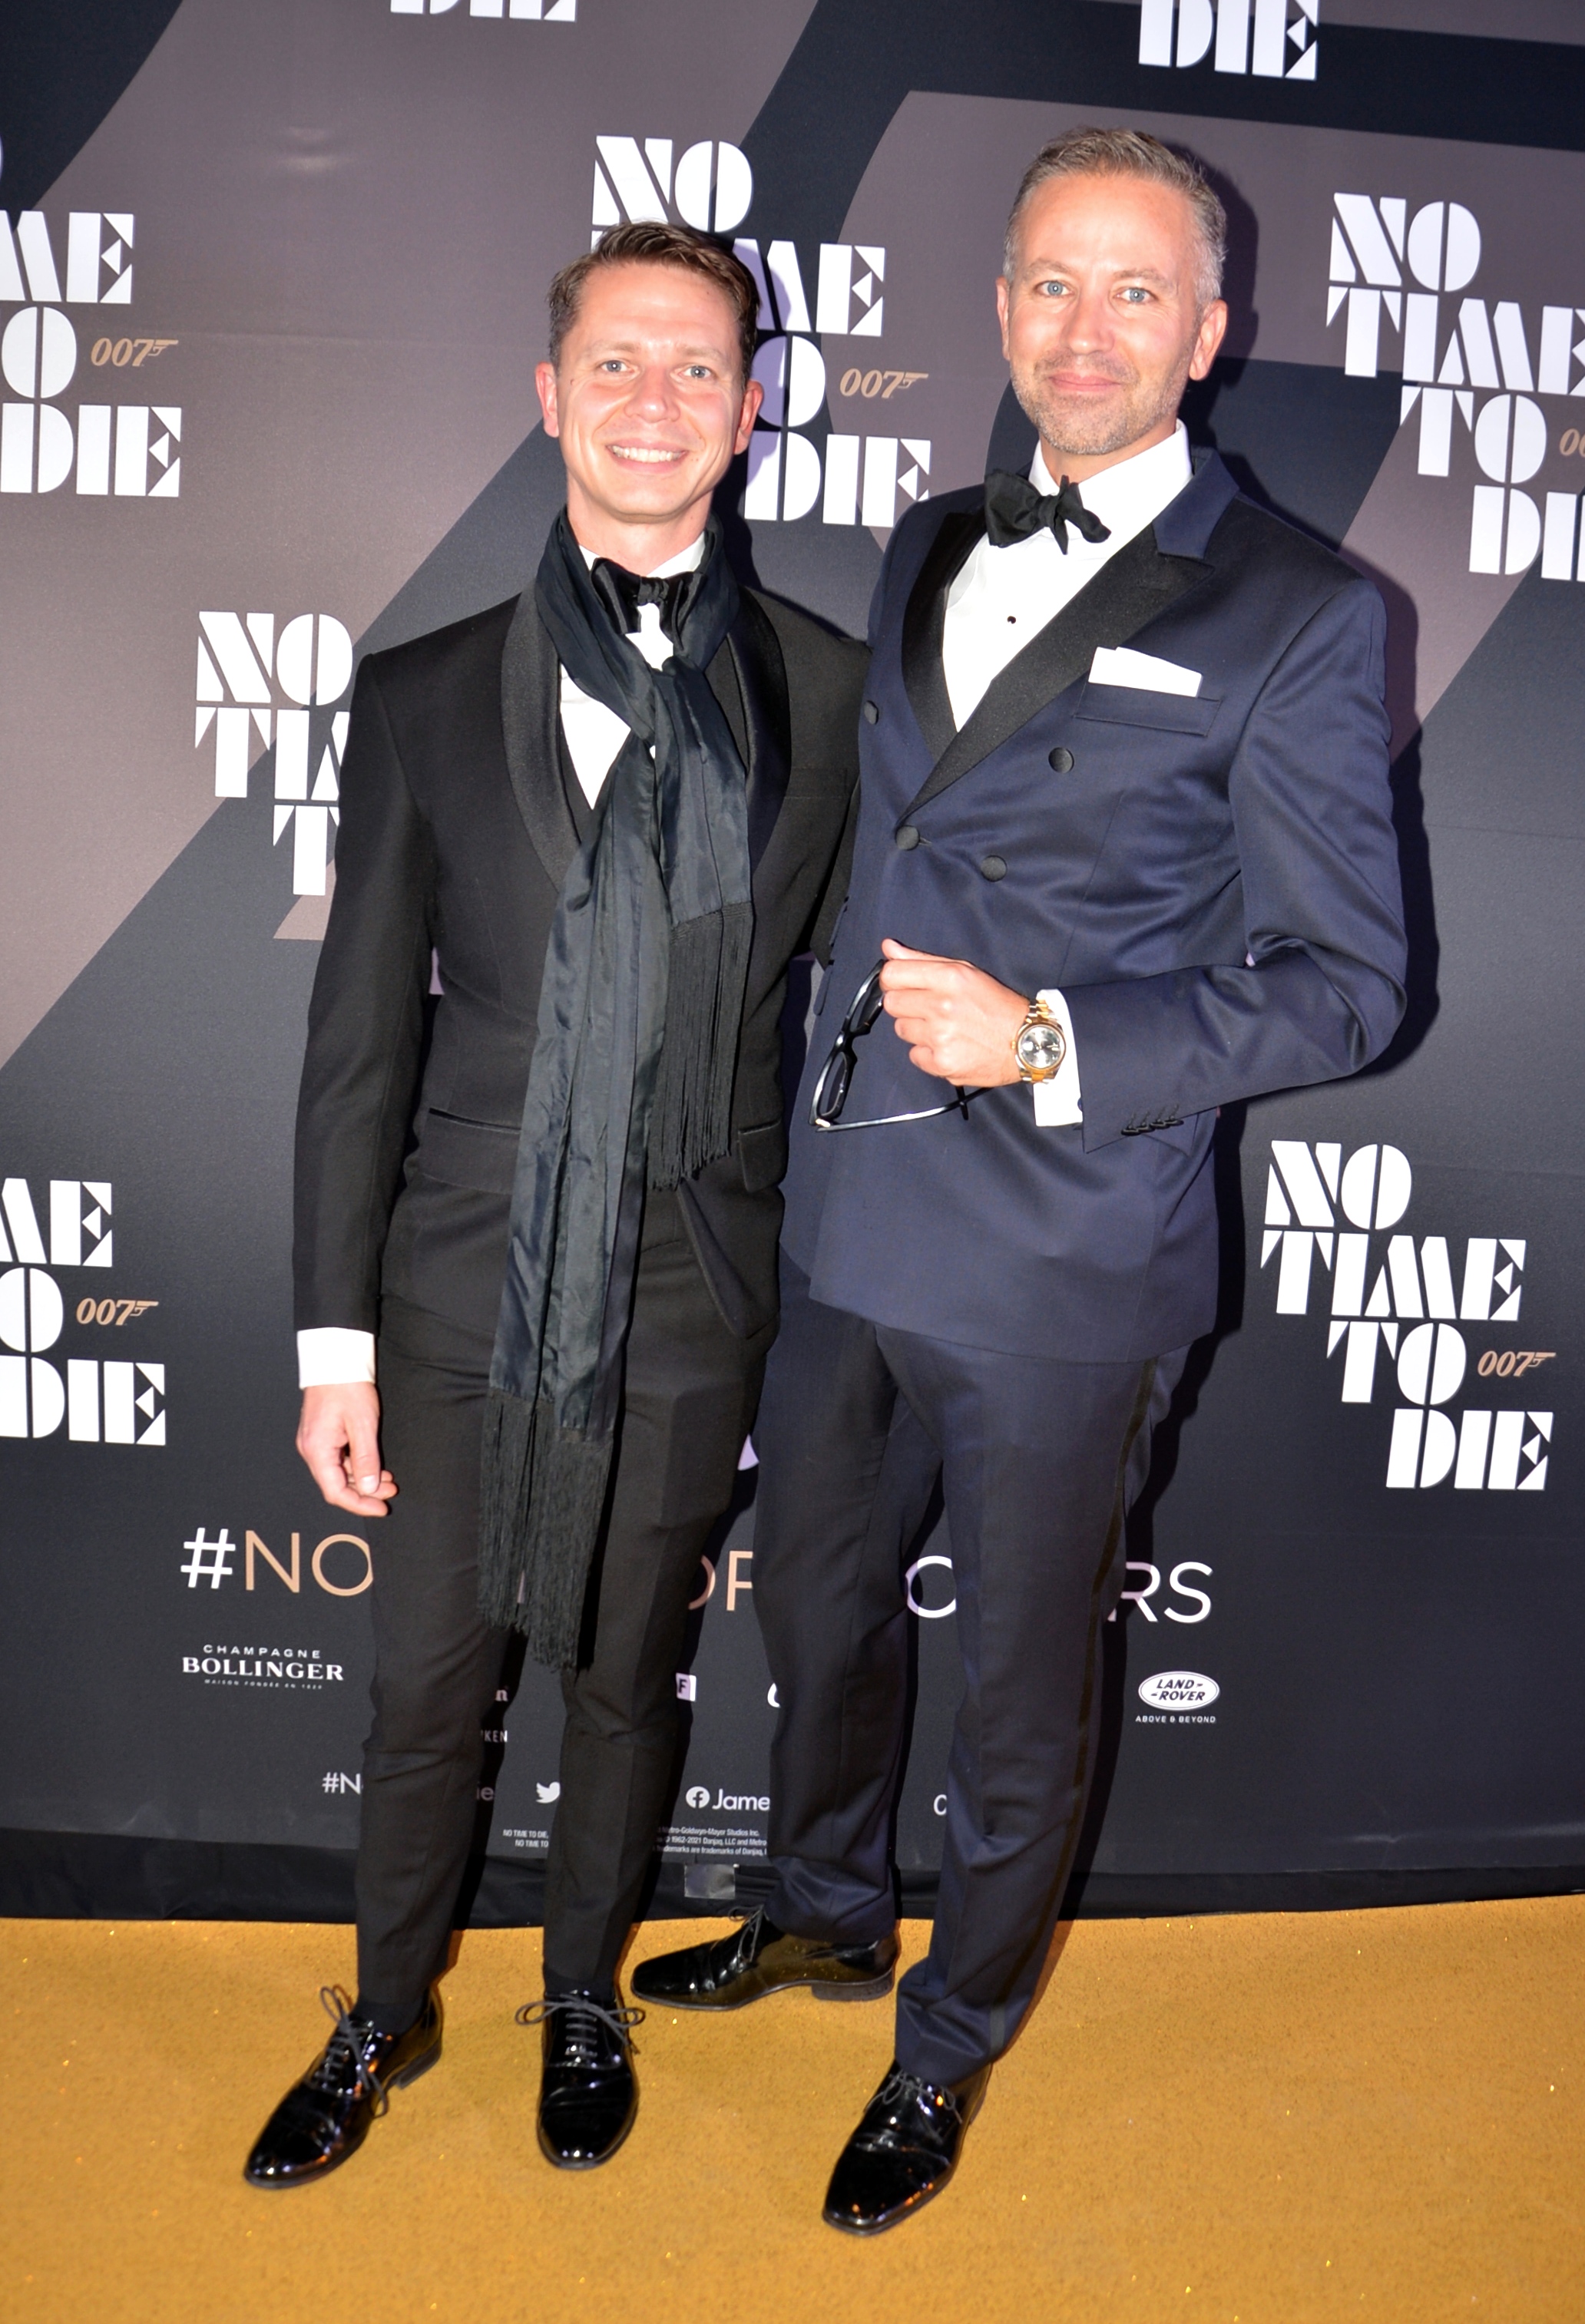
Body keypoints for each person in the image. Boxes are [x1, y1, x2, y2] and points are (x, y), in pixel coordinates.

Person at [634, 128, 1408, 2234]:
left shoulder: (1303, 611)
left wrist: (1058, 1037)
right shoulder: (923, 540)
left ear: (1209, 332)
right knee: (815, 1602)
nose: (1085, 328)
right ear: (997, 309)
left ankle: (946, 2039)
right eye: (1051, 283)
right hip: (849, 1215)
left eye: (1136, 290)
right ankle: (820, 1904)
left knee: (1013, 1690)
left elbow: (1349, 983)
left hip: (1068, 1251)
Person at [243, 221, 864, 2188]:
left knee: (621, 1678)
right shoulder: (423, 691)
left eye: (697, 367)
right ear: (549, 395)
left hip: (693, 1283)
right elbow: (359, 1043)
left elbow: (853, 1017)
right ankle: (385, 2005)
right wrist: (332, 1339)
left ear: (751, 411)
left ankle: (580, 1990)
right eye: (615, 362)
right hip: (456, 1285)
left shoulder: (837, 693)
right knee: (426, 1684)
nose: (653, 400)